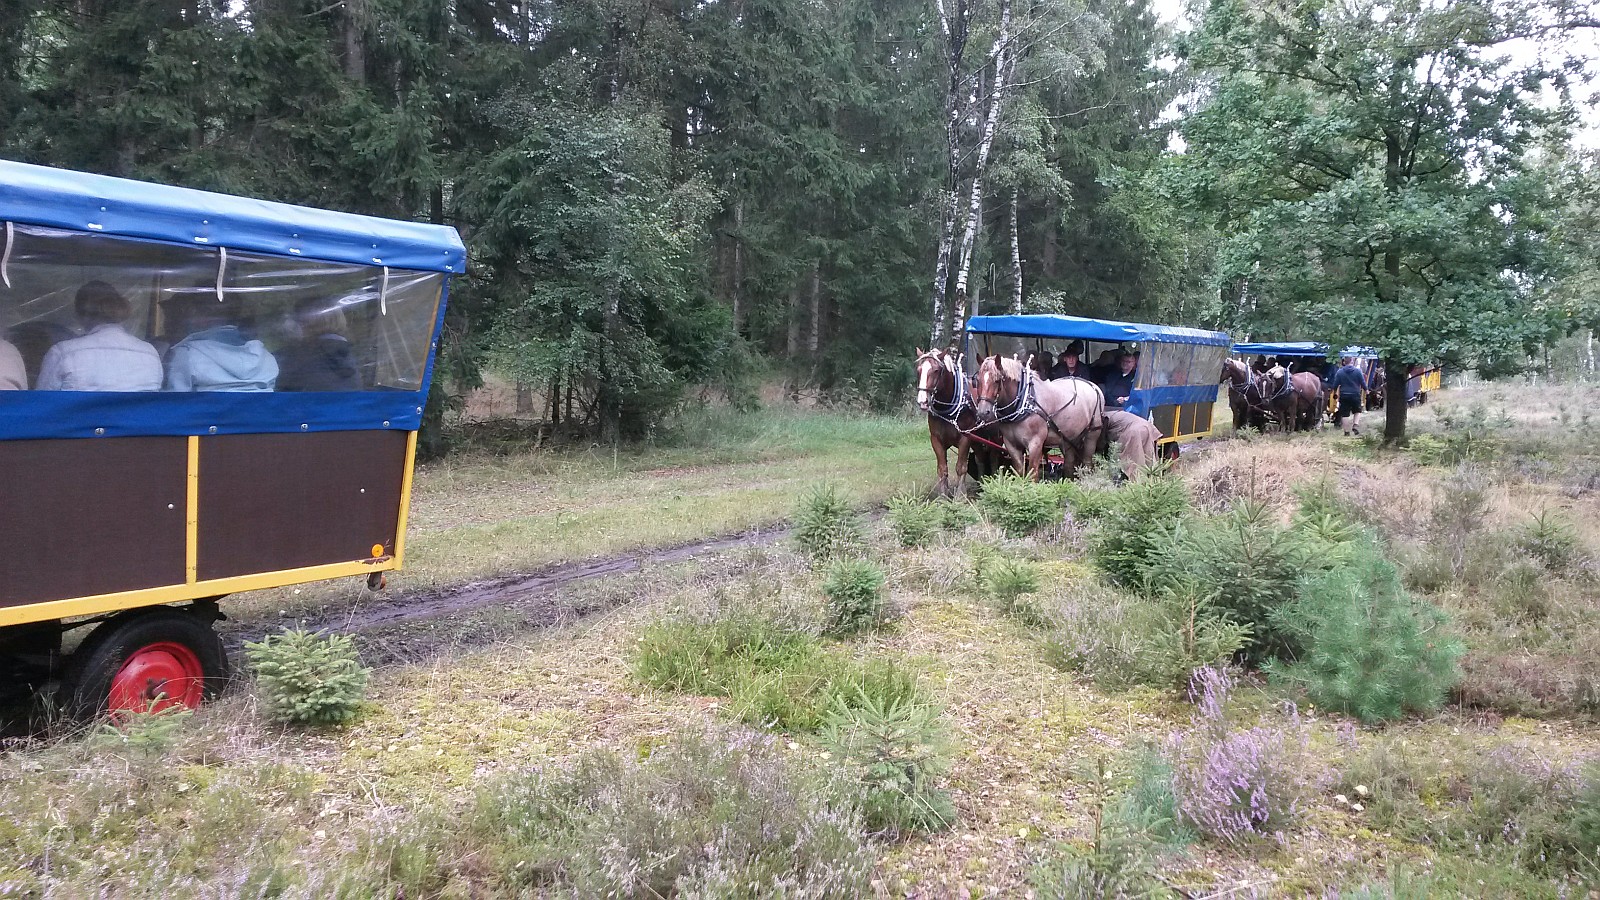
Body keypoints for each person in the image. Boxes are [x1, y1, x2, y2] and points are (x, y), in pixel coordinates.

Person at [36, 281, 163, 391]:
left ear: (80, 314)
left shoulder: (63, 353)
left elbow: (41, 408)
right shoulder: (150, 353)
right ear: (118, 307)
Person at [164, 295, 278, 392]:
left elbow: (175, 403)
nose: (186, 318)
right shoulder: (267, 357)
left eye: (191, 312)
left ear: (205, 314)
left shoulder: (187, 355)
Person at [275, 299, 362, 391]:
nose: (292, 326)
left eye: (297, 320)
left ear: (308, 322)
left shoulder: (302, 357)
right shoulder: (346, 353)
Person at [1330, 355, 1367, 435]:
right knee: (1357, 411)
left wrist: (1335, 392)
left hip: (1344, 395)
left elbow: (1335, 384)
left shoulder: (1340, 372)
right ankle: (1355, 425)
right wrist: (1366, 390)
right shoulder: (1358, 371)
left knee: (1345, 414)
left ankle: (1346, 432)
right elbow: (1362, 382)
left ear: (1344, 362)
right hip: (1355, 394)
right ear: (1352, 361)